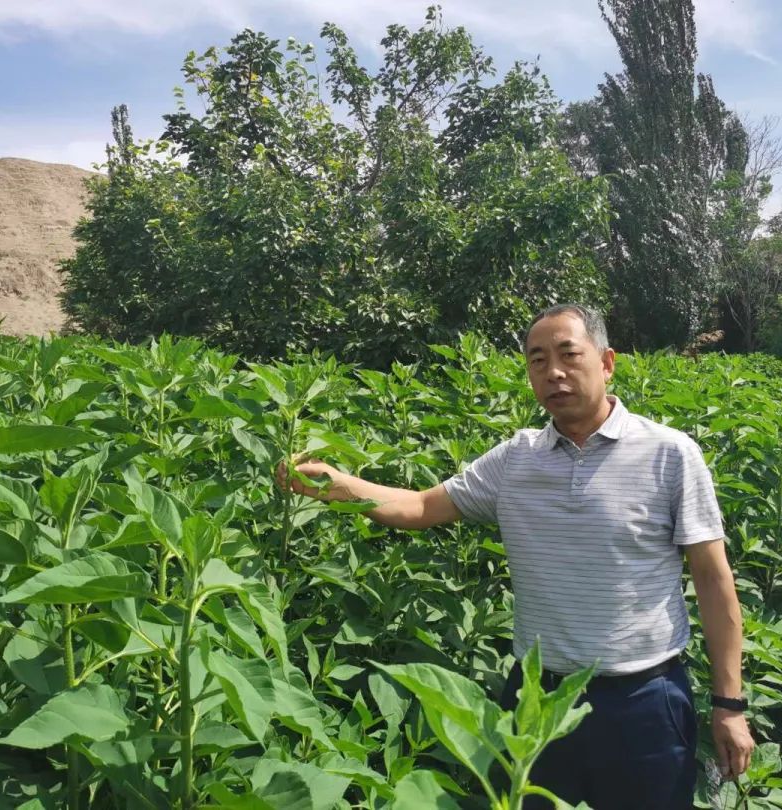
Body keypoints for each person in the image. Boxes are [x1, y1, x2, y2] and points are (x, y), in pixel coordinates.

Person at [277, 303, 754, 809]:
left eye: (569, 354)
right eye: (537, 360)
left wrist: (729, 704)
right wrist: (336, 486)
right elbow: (420, 505)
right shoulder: (516, 459)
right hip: (536, 702)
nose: (554, 372)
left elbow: (712, 577)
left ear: (607, 361)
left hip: (641, 701)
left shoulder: (669, 454)